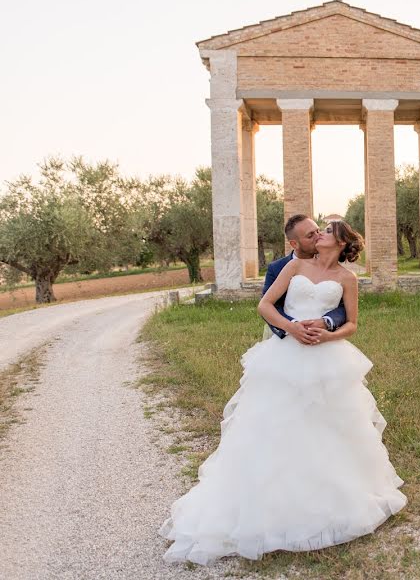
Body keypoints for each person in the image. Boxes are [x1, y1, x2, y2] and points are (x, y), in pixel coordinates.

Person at [159, 221, 407, 565]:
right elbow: (265, 305)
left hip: (326, 358)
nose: (318, 233)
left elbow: (351, 323)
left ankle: (331, 499)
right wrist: (291, 328)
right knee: (275, 426)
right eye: (315, 231)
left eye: (325, 230)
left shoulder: (347, 279)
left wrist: (327, 334)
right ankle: (268, 503)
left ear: (339, 241)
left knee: (329, 428)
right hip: (285, 355)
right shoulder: (294, 266)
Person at [261, 214, 346, 343]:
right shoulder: (277, 268)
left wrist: (326, 322)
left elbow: (344, 306)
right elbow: (269, 305)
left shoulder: (337, 270)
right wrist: (293, 326)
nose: (318, 236)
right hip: (286, 337)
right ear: (294, 244)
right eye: (310, 235)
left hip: (322, 338)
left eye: (318, 230)